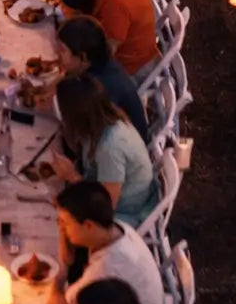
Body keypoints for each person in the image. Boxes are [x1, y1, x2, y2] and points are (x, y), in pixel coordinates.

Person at [51, 181, 169, 304]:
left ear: (88, 225)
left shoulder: (107, 267)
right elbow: (69, 257)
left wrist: (57, 281)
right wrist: (65, 235)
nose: (61, 228)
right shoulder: (117, 228)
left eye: (64, 223)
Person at [50, 75, 158, 227]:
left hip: (124, 211)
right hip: (104, 191)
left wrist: (72, 176)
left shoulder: (110, 147)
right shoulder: (103, 118)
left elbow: (105, 207)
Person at [56, 18, 148, 141]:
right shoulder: (101, 64)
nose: (57, 54)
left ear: (83, 57)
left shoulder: (98, 89)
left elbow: (84, 135)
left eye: (62, 50)